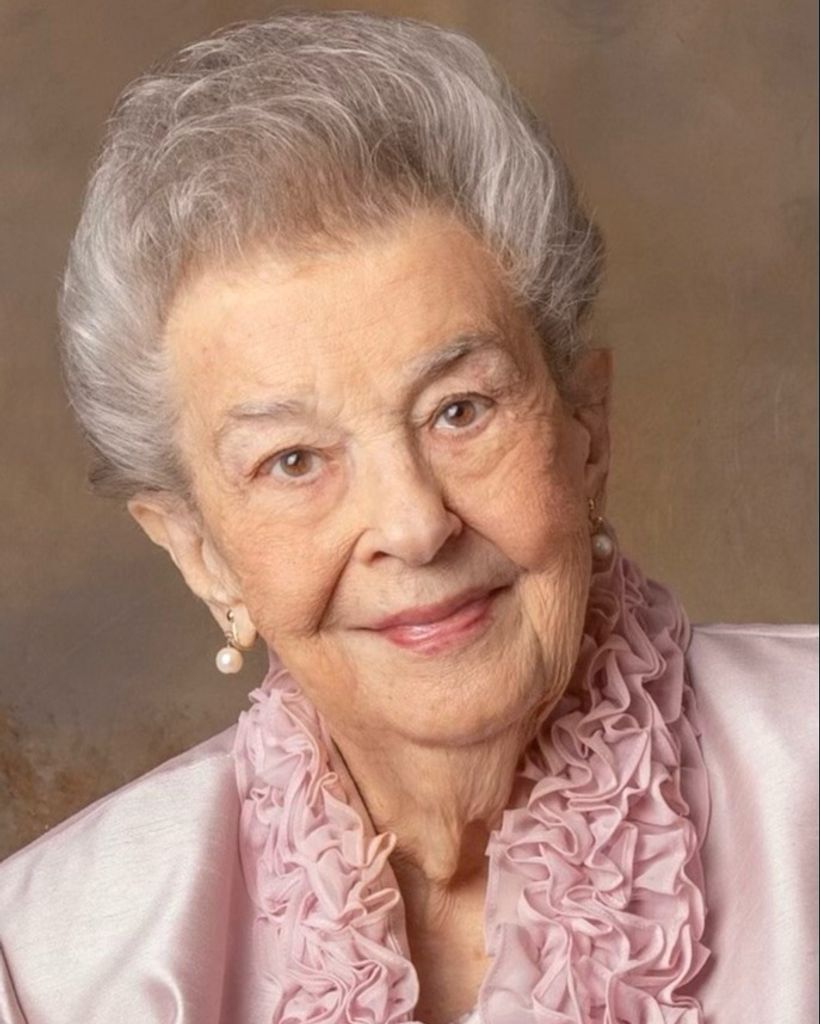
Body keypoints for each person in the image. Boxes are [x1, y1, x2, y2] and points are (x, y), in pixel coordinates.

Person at [0, 10, 816, 1024]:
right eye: (294, 460)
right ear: (201, 553)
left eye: (459, 410)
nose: (415, 524)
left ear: (586, 429)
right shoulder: (49, 968)